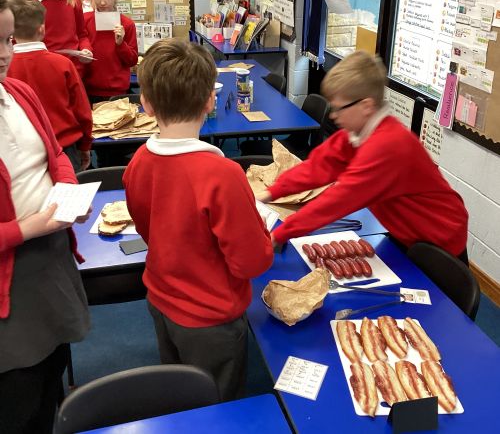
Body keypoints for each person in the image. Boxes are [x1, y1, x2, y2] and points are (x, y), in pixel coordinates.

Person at [123, 39, 274, 401]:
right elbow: (252, 262)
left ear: (145, 103)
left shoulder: (137, 163)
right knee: (218, 402)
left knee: (181, 392)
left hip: (161, 299)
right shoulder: (223, 174)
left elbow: (149, 229)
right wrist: (263, 230)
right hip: (211, 318)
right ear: (210, 100)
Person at [257, 51, 469, 261]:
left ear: (366, 106)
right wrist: (269, 193)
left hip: (439, 239)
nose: (333, 115)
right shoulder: (357, 133)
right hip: (405, 229)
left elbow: (337, 200)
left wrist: (280, 234)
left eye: (339, 108)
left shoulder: (389, 146)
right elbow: (318, 166)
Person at [0, 0, 90, 434]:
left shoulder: (18, 91)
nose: (4, 55)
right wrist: (25, 227)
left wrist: (68, 189)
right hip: (9, 281)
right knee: (16, 396)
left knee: (50, 375)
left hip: (49, 262)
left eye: (7, 40)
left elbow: (54, 152)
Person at [7, 0, 93, 173]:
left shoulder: (6, 68)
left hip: (21, 153)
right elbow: (82, 111)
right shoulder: (63, 64)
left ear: (12, 32)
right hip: (65, 148)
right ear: (42, 29)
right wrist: (85, 145)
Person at [84, 0, 138, 103]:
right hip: (89, 90)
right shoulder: (84, 21)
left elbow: (132, 61)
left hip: (117, 92)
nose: (102, 2)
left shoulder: (127, 24)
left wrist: (121, 44)